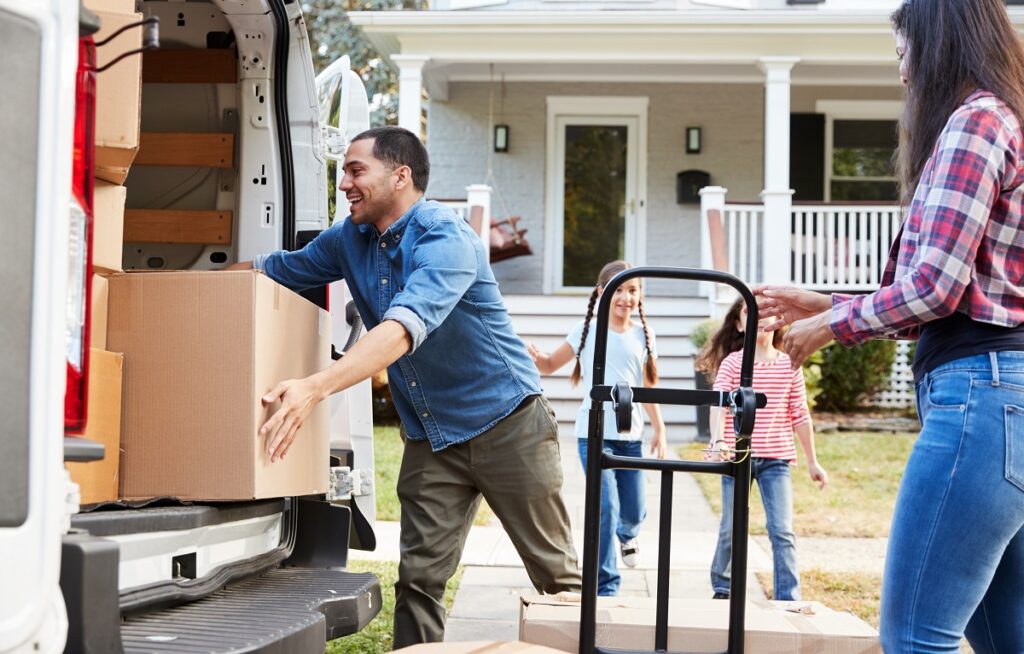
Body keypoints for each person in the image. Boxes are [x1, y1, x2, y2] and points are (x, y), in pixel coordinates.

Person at [228, 126, 581, 647]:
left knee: (556, 579)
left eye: (355, 170)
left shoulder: (445, 237)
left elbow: (400, 330)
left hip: (508, 424)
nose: (343, 182)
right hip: (433, 437)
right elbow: (277, 271)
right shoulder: (350, 238)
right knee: (419, 581)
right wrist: (180, 284)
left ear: (400, 176)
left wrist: (315, 387)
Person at [756, 1, 1024, 650]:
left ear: (937, 45)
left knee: (913, 637)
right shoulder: (1003, 121)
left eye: (903, 52)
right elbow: (950, 288)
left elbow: (933, 289)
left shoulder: (974, 123)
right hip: (1005, 404)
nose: (902, 74)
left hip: (980, 404)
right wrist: (826, 302)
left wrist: (828, 329)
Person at [527, 260, 667, 596]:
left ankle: (628, 534)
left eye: (632, 290)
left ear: (640, 296)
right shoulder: (586, 331)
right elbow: (548, 365)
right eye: (618, 289)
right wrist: (532, 355)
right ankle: (607, 587)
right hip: (592, 435)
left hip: (630, 437)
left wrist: (659, 429)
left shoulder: (643, 335)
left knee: (633, 511)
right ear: (602, 292)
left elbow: (647, 384)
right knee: (607, 507)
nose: (625, 297)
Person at [695, 297, 827, 602]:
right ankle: (723, 587)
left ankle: (787, 597)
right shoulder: (732, 363)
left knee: (781, 530)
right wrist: (718, 442)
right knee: (731, 525)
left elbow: (800, 414)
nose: (760, 319)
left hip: (776, 458)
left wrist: (813, 462)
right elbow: (719, 405)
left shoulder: (789, 365)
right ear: (740, 325)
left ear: (778, 322)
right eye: (750, 312)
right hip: (736, 456)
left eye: (769, 313)